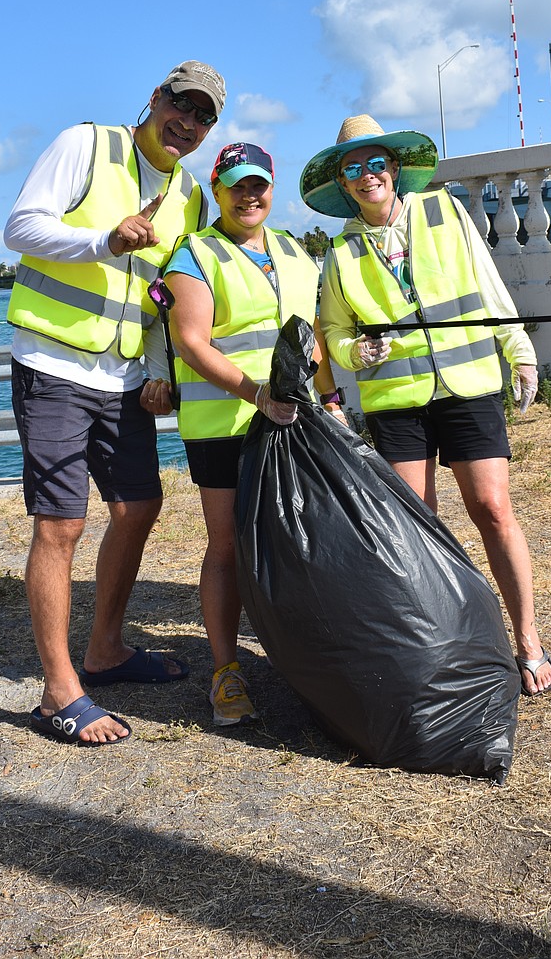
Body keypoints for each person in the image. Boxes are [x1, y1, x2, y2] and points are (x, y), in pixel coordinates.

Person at [3, 59, 226, 746]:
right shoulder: (87, 144)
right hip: (52, 362)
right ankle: (58, 691)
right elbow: (19, 228)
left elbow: (166, 300)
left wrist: (159, 368)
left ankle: (105, 649)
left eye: (204, 117)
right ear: (155, 97)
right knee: (61, 524)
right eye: (181, 105)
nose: (187, 123)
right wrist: (103, 239)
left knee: (139, 507)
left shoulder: (190, 197)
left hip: (123, 377)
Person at [300, 115, 551, 697]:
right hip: (397, 403)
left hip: (467, 386)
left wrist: (519, 349)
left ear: (394, 169)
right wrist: (357, 350)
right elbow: (333, 334)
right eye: (352, 169)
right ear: (342, 183)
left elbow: (488, 284)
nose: (367, 176)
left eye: (375, 164)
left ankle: (528, 639)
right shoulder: (339, 253)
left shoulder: (445, 212)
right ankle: (445, 642)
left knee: (492, 508)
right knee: (415, 527)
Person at [165, 143, 347, 727]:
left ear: (273, 190)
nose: (250, 196)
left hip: (297, 423)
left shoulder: (296, 252)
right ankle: (226, 672)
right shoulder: (194, 253)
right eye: (237, 185)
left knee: (303, 540)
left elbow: (312, 334)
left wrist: (332, 396)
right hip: (226, 425)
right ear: (216, 191)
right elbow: (192, 343)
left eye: (259, 185)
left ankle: (310, 660)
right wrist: (258, 396)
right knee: (228, 547)